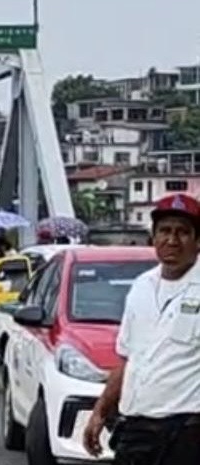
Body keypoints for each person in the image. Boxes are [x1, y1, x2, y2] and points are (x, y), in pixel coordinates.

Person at [83, 193, 200, 464]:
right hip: (137, 430)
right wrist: (100, 412)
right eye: (165, 231)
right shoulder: (141, 287)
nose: (172, 240)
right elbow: (128, 359)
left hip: (188, 433)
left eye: (183, 232)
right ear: (153, 237)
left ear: (197, 241)